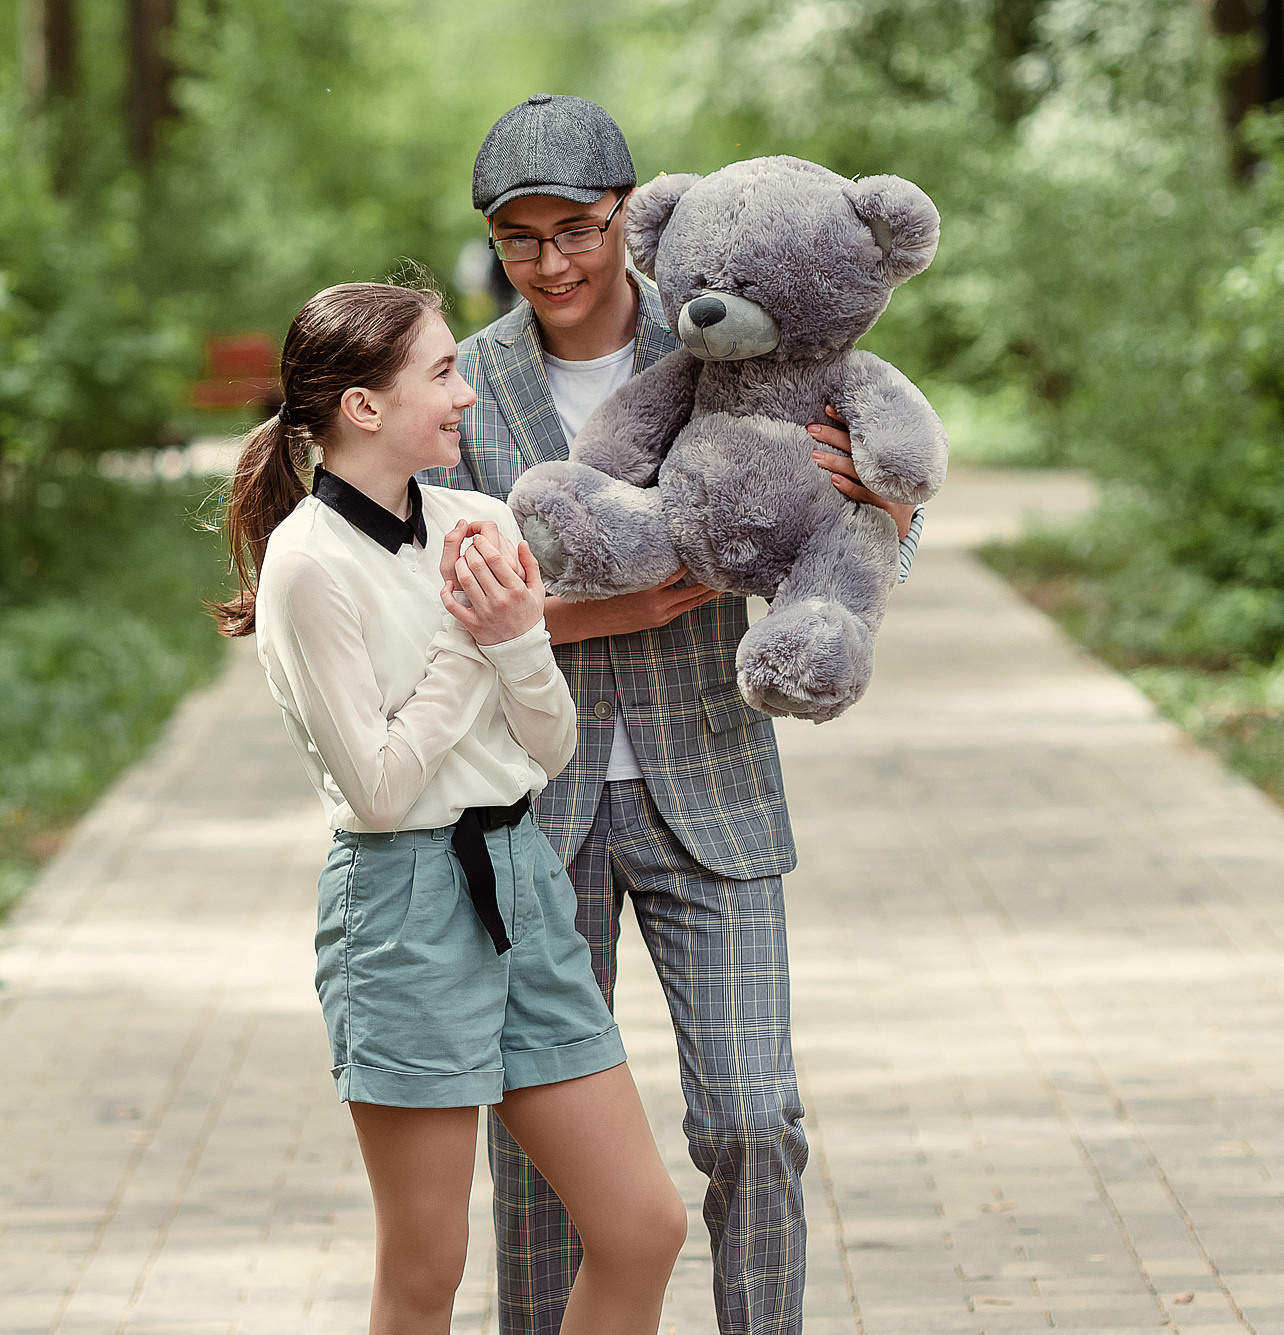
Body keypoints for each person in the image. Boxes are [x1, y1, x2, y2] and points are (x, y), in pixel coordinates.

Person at [418, 95, 927, 1335]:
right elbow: (438, 617)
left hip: (716, 787)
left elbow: (857, 533)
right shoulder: (463, 387)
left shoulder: (734, 324)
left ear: (628, 219)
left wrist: (889, 513)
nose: (549, 263)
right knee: (543, 1149)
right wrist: (629, 608)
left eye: (575, 229)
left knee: (753, 1118)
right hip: (529, 816)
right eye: (518, 239)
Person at [213, 281, 688, 1333]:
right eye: (441, 372)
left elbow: (549, 743)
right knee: (427, 1269)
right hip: (404, 907)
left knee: (642, 1226)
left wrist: (516, 638)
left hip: (521, 881)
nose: (466, 395)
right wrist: (473, 640)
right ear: (363, 408)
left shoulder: (476, 521)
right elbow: (379, 793)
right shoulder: (305, 567)